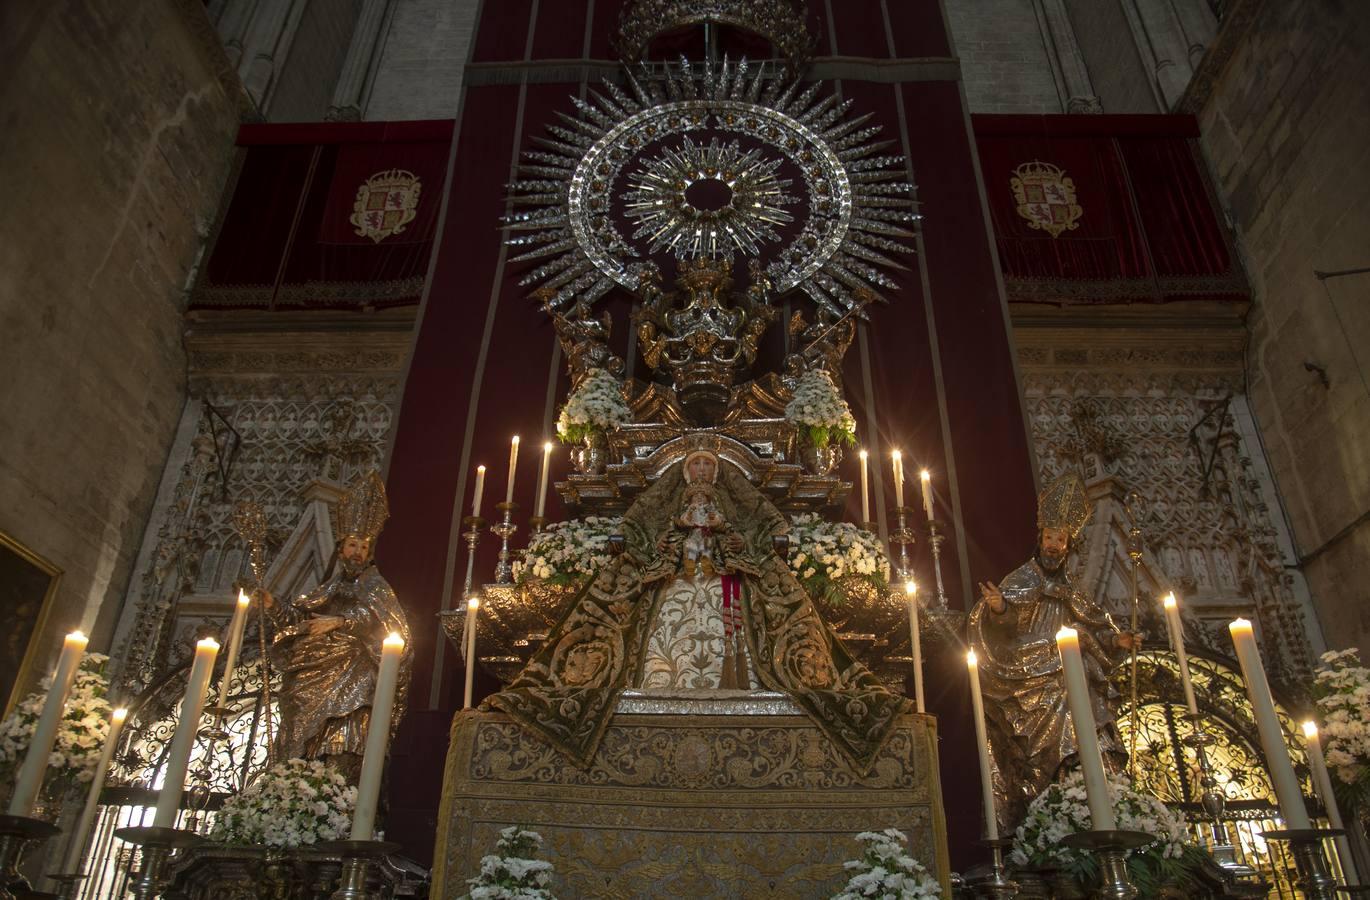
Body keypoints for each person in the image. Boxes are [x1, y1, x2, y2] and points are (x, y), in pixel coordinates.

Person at [489, 438, 909, 773]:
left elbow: (763, 527)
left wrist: (728, 534)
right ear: (685, 471)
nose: (703, 471)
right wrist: (675, 533)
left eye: (709, 465)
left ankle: (747, 680)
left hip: (727, 580)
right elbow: (639, 527)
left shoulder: (734, 501)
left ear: (718, 471)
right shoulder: (669, 503)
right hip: (675, 577)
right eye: (697, 466)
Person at [966, 472, 1137, 831]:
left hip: (1069, 670)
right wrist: (999, 608)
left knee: (1087, 719)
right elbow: (1007, 623)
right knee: (1039, 744)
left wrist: (1115, 641)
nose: (1053, 545)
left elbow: (1094, 623)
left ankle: (1085, 790)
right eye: (1048, 537)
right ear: (1039, 539)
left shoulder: (1072, 587)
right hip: (1030, 673)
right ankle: (1051, 801)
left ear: (1069, 543)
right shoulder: (1022, 579)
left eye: (1060, 539)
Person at [264, 470, 412, 780]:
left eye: (363, 547)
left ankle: (339, 797)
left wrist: (343, 622)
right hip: (314, 673)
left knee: (345, 739)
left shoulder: (377, 588)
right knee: (301, 743)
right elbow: (303, 620)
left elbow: (391, 626)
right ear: (341, 548)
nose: (357, 552)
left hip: (354, 674)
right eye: (353, 545)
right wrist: (273, 605)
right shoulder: (329, 588)